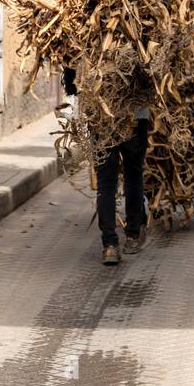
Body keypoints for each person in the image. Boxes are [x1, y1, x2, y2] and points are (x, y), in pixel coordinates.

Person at [64, 66, 150, 266]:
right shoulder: (142, 35)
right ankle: (133, 235)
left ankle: (110, 245)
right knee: (133, 174)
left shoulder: (85, 36)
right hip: (135, 116)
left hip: (100, 117)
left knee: (106, 183)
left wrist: (75, 103)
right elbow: (151, 74)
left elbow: (71, 74)